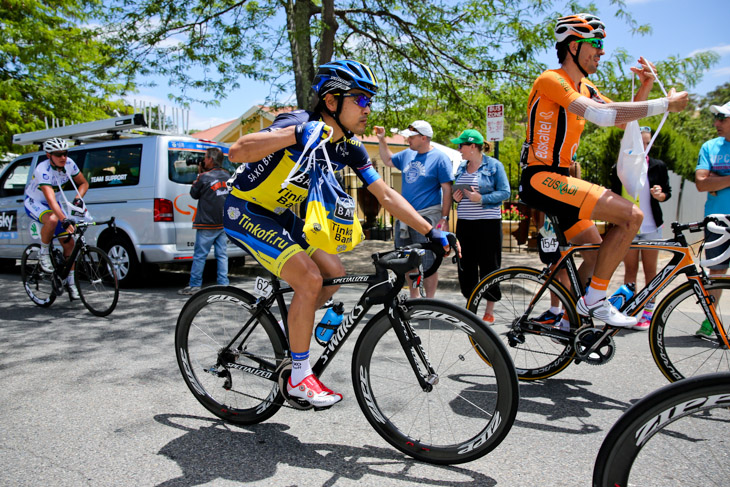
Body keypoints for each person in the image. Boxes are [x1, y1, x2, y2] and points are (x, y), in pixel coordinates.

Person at [223, 60, 454, 408]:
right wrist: (297, 135)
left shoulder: (349, 147)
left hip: (282, 215)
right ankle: (300, 376)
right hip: (245, 209)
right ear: (331, 102)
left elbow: (386, 195)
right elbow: (238, 151)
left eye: (369, 100)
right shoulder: (300, 123)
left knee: (334, 276)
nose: (367, 108)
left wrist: (431, 231)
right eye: (360, 99)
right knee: (309, 279)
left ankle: (294, 339)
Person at [518, 12, 688, 327]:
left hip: (562, 179)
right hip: (541, 178)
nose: (601, 51)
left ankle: (566, 319)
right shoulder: (551, 80)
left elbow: (622, 119)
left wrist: (646, 87)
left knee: (595, 256)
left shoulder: (587, 86)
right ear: (572, 46)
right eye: (595, 43)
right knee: (632, 216)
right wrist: (665, 104)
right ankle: (595, 299)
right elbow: (601, 115)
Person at [374, 120, 454, 298]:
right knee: (408, 261)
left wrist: (444, 218)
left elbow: (447, 189)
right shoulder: (407, 155)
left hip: (426, 218)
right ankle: (414, 298)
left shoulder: (440, 158)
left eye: (411, 136)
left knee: (428, 262)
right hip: (405, 217)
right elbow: (387, 160)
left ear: (424, 137)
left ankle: (430, 301)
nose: (407, 139)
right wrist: (381, 140)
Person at [609, 126, 671, 330]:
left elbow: (666, 194)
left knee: (650, 270)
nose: (644, 147)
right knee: (630, 270)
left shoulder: (658, 166)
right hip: (630, 228)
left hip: (652, 227)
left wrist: (659, 194)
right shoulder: (620, 167)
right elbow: (614, 197)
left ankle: (648, 311)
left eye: (647, 143)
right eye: (640, 143)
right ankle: (629, 309)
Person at [450, 129, 510, 321]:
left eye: (462, 145)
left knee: (489, 266)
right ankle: (471, 309)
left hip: (488, 224)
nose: (459, 149)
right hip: (465, 224)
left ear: (473, 146)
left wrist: (481, 198)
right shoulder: (461, 167)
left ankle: (489, 312)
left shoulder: (494, 166)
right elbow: (457, 192)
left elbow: (505, 192)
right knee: (466, 266)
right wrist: (455, 197)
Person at [24, 138, 89, 299]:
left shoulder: (69, 164)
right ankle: (44, 253)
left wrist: (77, 199)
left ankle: (72, 284)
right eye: (58, 154)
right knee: (53, 219)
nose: (63, 157)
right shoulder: (42, 169)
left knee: (70, 245)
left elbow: (83, 183)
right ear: (48, 155)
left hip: (55, 204)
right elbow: (51, 200)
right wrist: (63, 219)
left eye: (65, 153)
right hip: (36, 201)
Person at [694, 100, 730, 336]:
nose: (716, 123)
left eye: (722, 118)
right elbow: (701, 183)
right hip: (716, 219)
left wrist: (719, 179)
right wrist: (711, 181)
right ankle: (710, 322)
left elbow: (710, 181)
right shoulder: (709, 147)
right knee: (716, 272)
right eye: (716, 118)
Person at [178, 148, 231, 295]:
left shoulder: (204, 177)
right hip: (223, 222)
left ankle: (195, 285)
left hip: (207, 223)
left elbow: (194, 194)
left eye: (205, 157)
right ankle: (223, 284)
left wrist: (199, 174)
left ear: (211, 160)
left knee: (200, 255)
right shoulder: (227, 175)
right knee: (222, 254)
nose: (204, 160)